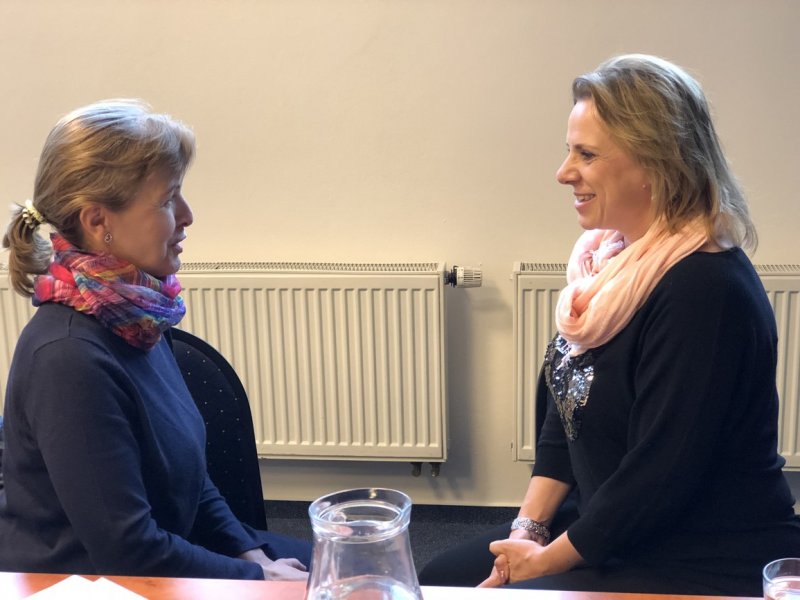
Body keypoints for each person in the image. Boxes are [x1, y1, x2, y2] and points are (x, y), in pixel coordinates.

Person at [418, 54, 800, 595]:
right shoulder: (609, 266)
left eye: (587, 154)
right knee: (440, 577)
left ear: (656, 163)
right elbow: (566, 412)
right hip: (614, 526)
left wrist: (542, 563)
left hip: (698, 552)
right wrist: (527, 532)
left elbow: (659, 477)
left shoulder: (706, 289)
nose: (564, 172)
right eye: (569, 150)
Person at [0, 99, 311, 580]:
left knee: (350, 565)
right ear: (98, 221)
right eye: (168, 200)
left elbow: (191, 478)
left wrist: (251, 555)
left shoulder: (135, 319)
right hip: (91, 583)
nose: (187, 215)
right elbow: (127, 551)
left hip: (160, 557)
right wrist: (260, 581)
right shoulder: (67, 358)